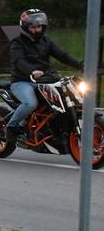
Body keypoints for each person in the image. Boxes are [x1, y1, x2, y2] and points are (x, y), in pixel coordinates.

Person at [7, 9, 83, 141]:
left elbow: (62, 55)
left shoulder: (46, 41)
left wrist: (81, 64)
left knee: (66, 98)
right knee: (30, 104)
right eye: (33, 27)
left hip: (45, 80)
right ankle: (11, 127)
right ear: (25, 27)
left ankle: (56, 130)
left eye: (39, 27)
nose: (37, 30)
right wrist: (32, 71)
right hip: (22, 81)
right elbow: (19, 61)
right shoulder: (17, 42)